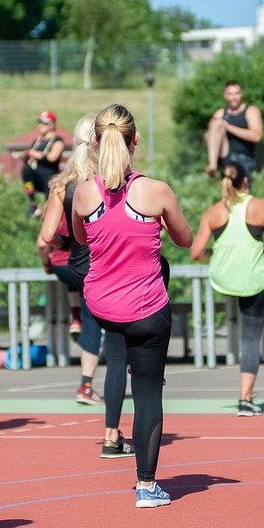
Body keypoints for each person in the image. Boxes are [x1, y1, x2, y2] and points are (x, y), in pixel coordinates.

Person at [73, 103, 192, 507]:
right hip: (145, 311)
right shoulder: (156, 191)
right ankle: (146, 485)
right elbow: (185, 239)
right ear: (135, 139)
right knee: (147, 391)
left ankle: (112, 429)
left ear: (95, 141)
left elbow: (83, 237)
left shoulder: (84, 192)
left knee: (118, 354)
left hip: (104, 307)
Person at [191, 161, 264, 416]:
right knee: (250, 339)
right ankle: (245, 399)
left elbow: (196, 252)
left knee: (232, 322)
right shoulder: (261, 207)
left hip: (223, 279)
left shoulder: (213, 212)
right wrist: (257, 249)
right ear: (246, 181)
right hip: (251, 280)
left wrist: (216, 253)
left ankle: (244, 397)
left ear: (223, 182)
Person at [39, 115, 110, 411]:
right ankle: (124, 369)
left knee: (92, 320)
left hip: (77, 265)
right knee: (116, 322)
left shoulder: (62, 184)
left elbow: (46, 236)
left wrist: (65, 244)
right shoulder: (107, 180)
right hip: (105, 264)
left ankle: (86, 383)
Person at [204, 81, 263, 180]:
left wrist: (228, 127)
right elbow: (208, 138)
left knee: (240, 190)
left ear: (241, 94)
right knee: (216, 123)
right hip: (225, 158)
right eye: (230, 94)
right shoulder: (220, 113)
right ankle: (212, 165)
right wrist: (211, 132)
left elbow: (256, 136)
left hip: (243, 159)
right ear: (225, 95)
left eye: (237, 93)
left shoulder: (250, 111)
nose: (234, 97)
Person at [23, 110, 65, 218]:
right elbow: (29, 159)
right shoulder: (37, 141)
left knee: (48, 210)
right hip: (38, 176)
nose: (41, 125)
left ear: (51, 125)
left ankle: (47, 214)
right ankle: (33, 203)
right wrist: (28, 156)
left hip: (50, 177)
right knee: (26, 170)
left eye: (44, 123)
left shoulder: (57, 140)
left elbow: (52, 157)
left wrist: (35, 154)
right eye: (39, 122)